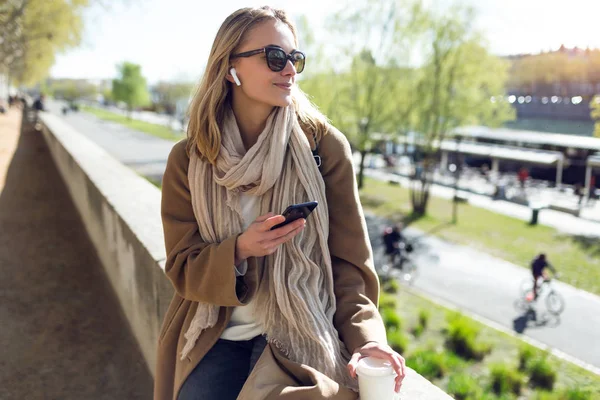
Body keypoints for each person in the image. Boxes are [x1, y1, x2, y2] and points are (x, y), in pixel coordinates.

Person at [155, 6, 405, 400]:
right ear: (229, 66)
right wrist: (239, 250)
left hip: (297, 332)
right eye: (275, 57)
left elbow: (350, 264)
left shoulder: (323, 148)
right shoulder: (188, 159)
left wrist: (366, 339)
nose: (289, 70)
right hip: (214, 331)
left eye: (295, 59)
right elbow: (182, 265)